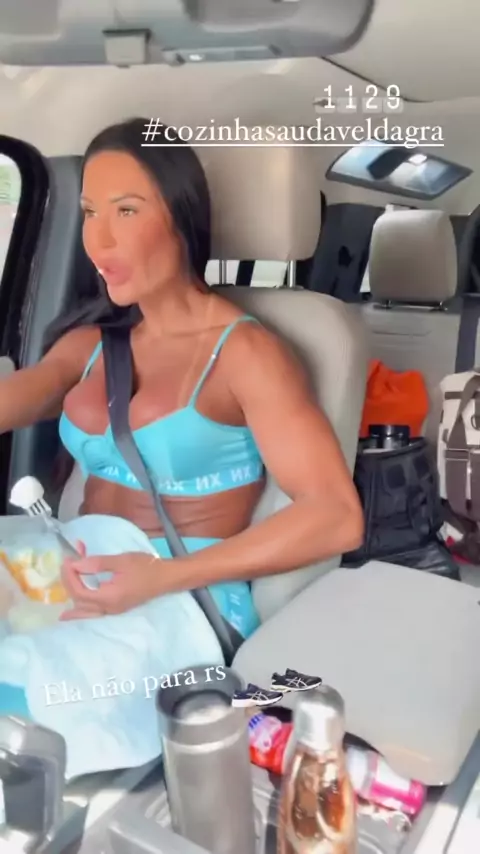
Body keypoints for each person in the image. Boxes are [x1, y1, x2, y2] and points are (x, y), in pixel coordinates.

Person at [0, 118, 364, 639]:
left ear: (181, 215)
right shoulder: (91, 343)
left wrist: (161, 577)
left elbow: (336, 516)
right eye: (90, 212)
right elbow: (20, 393)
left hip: (181, 599)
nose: (99, 240)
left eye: (127, 210)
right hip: (75, 568)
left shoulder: (246, 354)